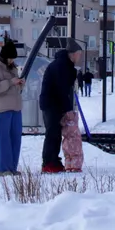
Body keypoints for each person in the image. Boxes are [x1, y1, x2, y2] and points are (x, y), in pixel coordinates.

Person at [39, 40, 83, 173]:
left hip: (54, 103)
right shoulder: (61, 66)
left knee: (56, 133)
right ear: (73, 54)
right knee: (52, 133)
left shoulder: (65, 65)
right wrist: (68, 109)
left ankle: (54, 161)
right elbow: (61, 89)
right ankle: (48, 163)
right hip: (51, 104)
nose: (80, 57)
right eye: (79, 54)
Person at [0, 37, 25, 176]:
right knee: (4, 139)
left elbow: (14, 85)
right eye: (10, 58)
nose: (12, 61)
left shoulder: (12, 68)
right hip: (2, 108)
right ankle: (3, 168)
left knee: (15, 139)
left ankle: (12, 167)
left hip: (15, 107)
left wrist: (20, 84)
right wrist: (10, 82)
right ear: (4, 57)